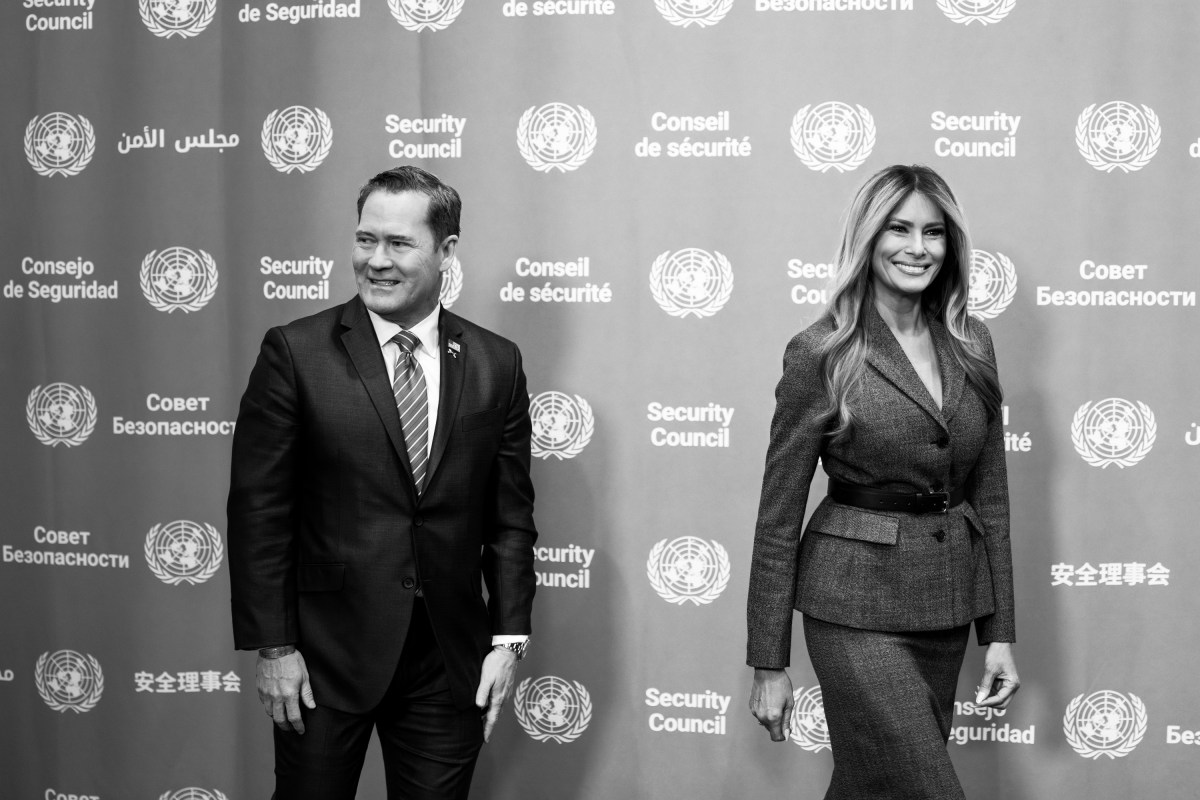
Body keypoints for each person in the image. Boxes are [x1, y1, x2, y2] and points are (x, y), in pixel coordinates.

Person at [228, 165, 538, 799]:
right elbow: (260, 512)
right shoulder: (295, 352)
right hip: (323, 657)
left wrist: (507, 642)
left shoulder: (497, 362)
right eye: (366, 239)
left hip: (448, 660)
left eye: (399, 243)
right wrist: (275, 648)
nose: (376, 261)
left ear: (446, 250)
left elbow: (509, 517)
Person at [746, 164, 1019, 798]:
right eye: (899, 229)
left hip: (946, 604)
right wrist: (768, 661)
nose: (918, 248)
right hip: (853, 608)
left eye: (933, 232)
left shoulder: (972, 342)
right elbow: (778, 516)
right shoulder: (822, 351)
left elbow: (992, 498)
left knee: (874, 787)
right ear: (867, 238)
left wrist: (1000, 633)